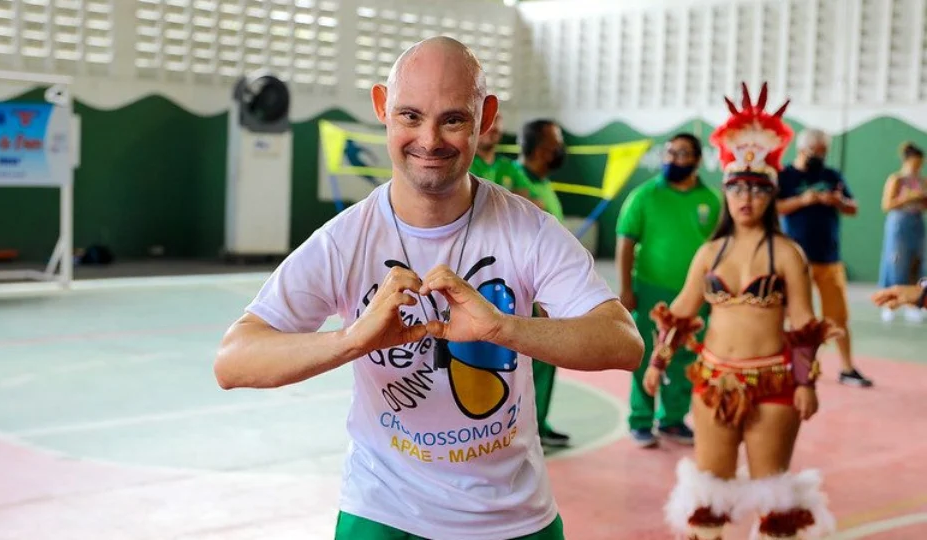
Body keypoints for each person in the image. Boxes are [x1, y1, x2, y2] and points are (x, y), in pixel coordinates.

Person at [213, 37, 644, 540]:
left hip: (512, 517)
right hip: (383, 511)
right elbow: (233, 360)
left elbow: (623, 342)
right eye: (410, 116)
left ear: (485, 117)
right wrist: (352, 340)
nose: (429, 139)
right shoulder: (345, 240)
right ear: (382, 107)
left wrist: (502, 329)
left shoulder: (528, 230)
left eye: (453, 119)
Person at [644, 83, 839, 540]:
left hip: (774, 385)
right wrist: (657, 361)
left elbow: (804, 324)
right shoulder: (709, 253)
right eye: (736, 187)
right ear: (726, 191)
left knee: (776, 503)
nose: (746, 197)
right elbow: (681, 312)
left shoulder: (788, 254)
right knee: (708, 499)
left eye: (756, 188)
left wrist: (806, 382)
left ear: (771, 194)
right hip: (714, 383)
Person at [616, 133, 722, 448]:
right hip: (651, 290)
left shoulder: (711, 200)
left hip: (696, 294)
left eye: (683, 153)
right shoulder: (644, 195)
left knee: (686, 355)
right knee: (648, 354)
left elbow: (718, 250)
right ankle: (641, 420)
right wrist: (626, 288)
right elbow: (626, 241)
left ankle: (673, 419)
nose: (674, 159)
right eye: (670, 152)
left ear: (698, 160)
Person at [776, 128, 873, 388]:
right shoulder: (785, 176)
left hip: (830, 257)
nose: (819, 157)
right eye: (815, 152)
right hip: (797, 260)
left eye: (823, 153)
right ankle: (791, 366)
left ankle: (847, 368)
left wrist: (838, 201)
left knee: (838, 317)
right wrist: (804, 200)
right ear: (801, 149)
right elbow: (774, 208)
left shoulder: (831, 175)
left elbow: (853, 207)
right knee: (795, 316)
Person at [511, 119, 572, 448]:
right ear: (538, 147)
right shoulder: (513, 179)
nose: (560, 149)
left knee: (547, 358)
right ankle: (522, 428)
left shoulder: (543, 183)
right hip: (527, 289)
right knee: (525, 362)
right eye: (555, 142)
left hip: (548, 287)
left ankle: (539, 423)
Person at [877, 142, 927, 323]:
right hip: (899, 224)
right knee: (896, 262)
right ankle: (890, 302)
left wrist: (921, 198)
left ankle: (914, 303)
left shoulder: (922, 181)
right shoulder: (896, 179)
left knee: (917, 261)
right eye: (915, 162)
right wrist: (906, 198)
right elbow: (886, 204)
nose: (918, 166)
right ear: (907, 160)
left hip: (917, 223)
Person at [469, 111, 523, 191]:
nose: (492, 126)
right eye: (485, 120)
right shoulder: (462, 165)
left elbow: (528, 195)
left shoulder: (509, 167)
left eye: (496, 120)